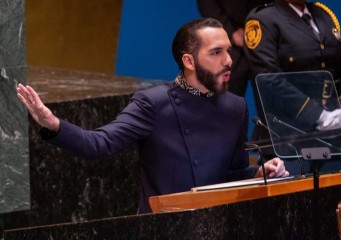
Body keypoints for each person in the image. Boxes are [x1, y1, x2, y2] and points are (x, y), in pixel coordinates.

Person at [17, 18, 289, 214]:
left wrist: (258, 173)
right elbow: (98, 144)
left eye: (228, 50)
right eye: (216, 52)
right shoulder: (153, 103)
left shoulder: (236, 107)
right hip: (162, 229)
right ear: (189, 61)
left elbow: (232, 173)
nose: (229, 60)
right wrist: (53, 125)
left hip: (217, 225)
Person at [243, 0, 341, 175]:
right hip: (287, 138)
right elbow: (269, 80)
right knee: (292, 200)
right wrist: (317, 114)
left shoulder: (324, 16)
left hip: (330, 137)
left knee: (333, 199)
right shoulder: (263, 19)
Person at [197, 0, 273, 96]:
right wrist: (230, 31)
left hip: (268, 36)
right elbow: (207, 3)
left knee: (272, 98)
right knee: (226, 102)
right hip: (229, 40)